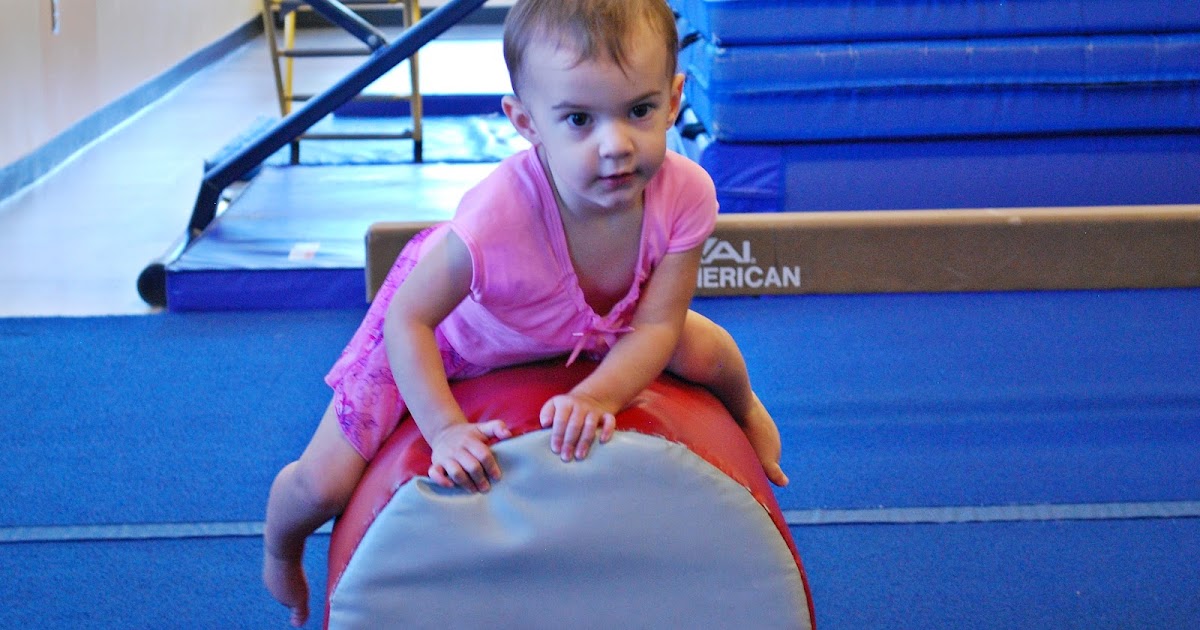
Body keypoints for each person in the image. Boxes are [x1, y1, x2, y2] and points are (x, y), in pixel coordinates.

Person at [263, 0, 788, 624]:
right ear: (526, 120)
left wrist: (597, 395)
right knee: (325, 483)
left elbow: (655, 324)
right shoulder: (495, 218)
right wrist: (445, 428)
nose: (615, 145)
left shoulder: (686, 193)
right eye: (578, 119)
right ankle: (280, 545)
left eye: (639, 111)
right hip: (462, 332)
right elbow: (410, 321)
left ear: (675, 99)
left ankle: (748, 412)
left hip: (598, 324)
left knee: (714, 353)